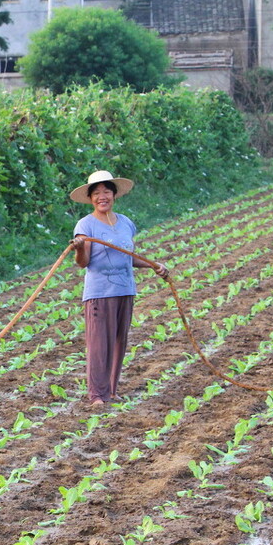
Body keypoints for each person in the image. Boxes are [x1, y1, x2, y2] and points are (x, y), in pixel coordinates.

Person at [69, 170, 169, 407]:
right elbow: (84, 263)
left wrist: (155, 266)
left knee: (117, 342)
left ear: (114, 195)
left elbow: (128, 256)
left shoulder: (126, 223)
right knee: (98, 344)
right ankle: (96, 395)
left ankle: (111, 391)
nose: (102, 197)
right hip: (99, 292)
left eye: (106, 192)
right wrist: (80, 248)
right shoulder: (86, 224)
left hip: (125, 289)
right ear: (91, 198)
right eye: (97, 193)